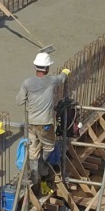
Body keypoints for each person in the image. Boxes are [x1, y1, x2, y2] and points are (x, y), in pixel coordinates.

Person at [16, 51, 69, 184]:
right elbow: (61, 78)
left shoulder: (27, 82)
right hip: (45, 123)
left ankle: (34, 175)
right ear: (47, 68)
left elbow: (19, 101)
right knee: (49, 145)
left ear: (35, 67)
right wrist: (65, 72)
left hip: (30, 123)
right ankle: (41, 164)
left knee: (33, 148)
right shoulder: (51, 80)